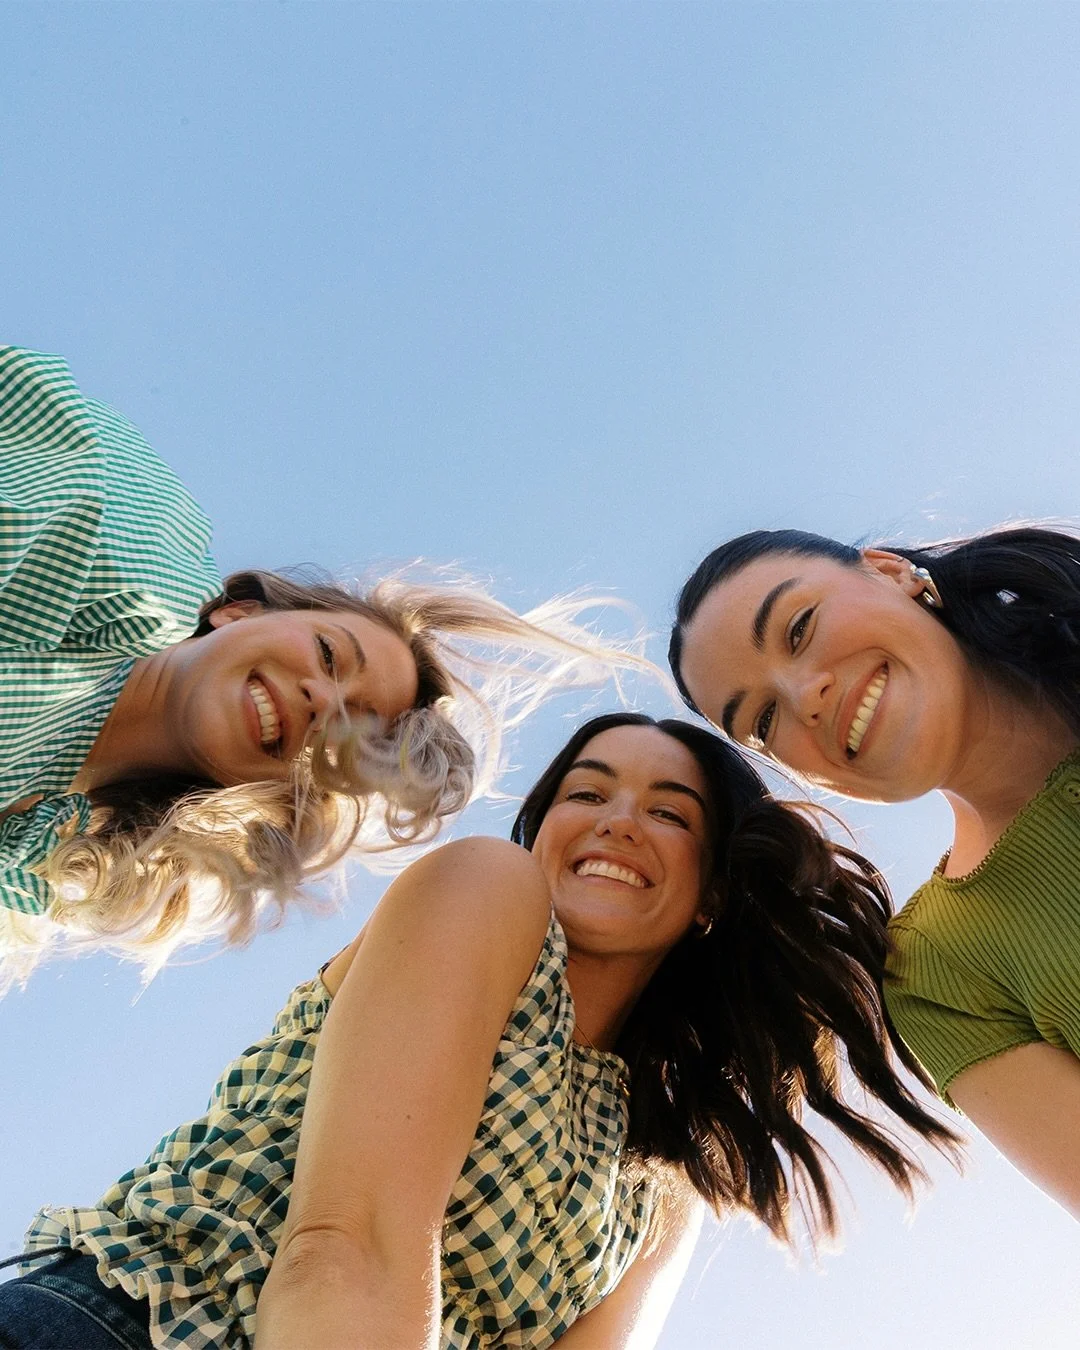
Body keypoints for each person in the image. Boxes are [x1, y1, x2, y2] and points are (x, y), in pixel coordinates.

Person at [0, 713, 955, 1350]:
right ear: (541, 832)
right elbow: (345, 1250)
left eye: (670, 813)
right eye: (586, 794)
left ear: (709, 892)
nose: (619, 822)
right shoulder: (484, 890)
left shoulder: (674, 1166)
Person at [0, 345, 632, 988]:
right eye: (329, 654)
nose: (323, 704)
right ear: (237, 612)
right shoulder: (116, 554)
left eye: (349, 734)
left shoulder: (54, 858)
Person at [669, 525, 1080, 1218]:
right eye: (765, 719)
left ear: (891, 574)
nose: (805, 697)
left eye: (799, 627)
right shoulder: (939, 973)